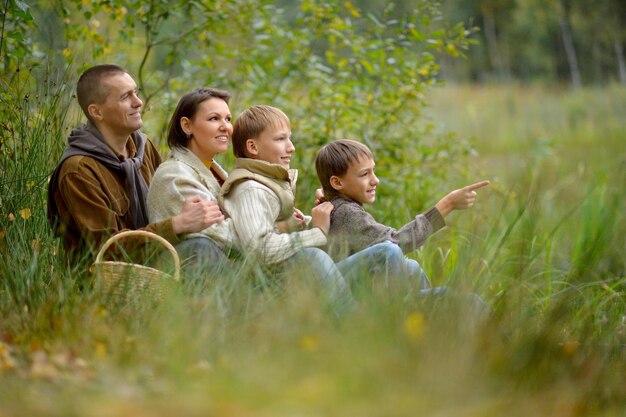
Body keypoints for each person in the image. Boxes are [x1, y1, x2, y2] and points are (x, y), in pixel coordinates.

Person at [219, 105, 408, 309]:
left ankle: (420, 311)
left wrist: (316, 219)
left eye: (289, 138)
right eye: (281, 139)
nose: (290, 147)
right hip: (274, 290)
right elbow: (260, 249)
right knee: (387, 253)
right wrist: (317, 232)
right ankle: (362, 323)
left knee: (408, 265)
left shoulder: (268, 184)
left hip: (294, 277)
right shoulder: (251, 190)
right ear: (253, 147)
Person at [47, 64, 221, 265]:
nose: (138, 102)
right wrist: (176, 224)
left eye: (135, 93)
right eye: (125, 97)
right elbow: (109, 249)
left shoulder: (143, 147)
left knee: (210, 241)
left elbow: (165, 201)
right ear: (96, 111)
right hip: (106, 280)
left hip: (152, 258)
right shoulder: (78, 170)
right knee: (199, 249)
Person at [314, 139, 490, 291]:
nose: (375, 180)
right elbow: (397, 242)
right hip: (343, 295)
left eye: (373, 171)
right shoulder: (346, 213)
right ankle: (413, 313)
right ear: (337, 182)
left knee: (410, 267)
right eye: (365, 174)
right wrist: (447, 205)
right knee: (393, 252)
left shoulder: (336, 207)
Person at [147, 87, 238, 279]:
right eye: (214, 118)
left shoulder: (214, 169)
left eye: (228, 119)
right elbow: (219, 234)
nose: (225, 127)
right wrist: (276, 231)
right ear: (187, 126)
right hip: (185, 275)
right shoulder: (174, 175)